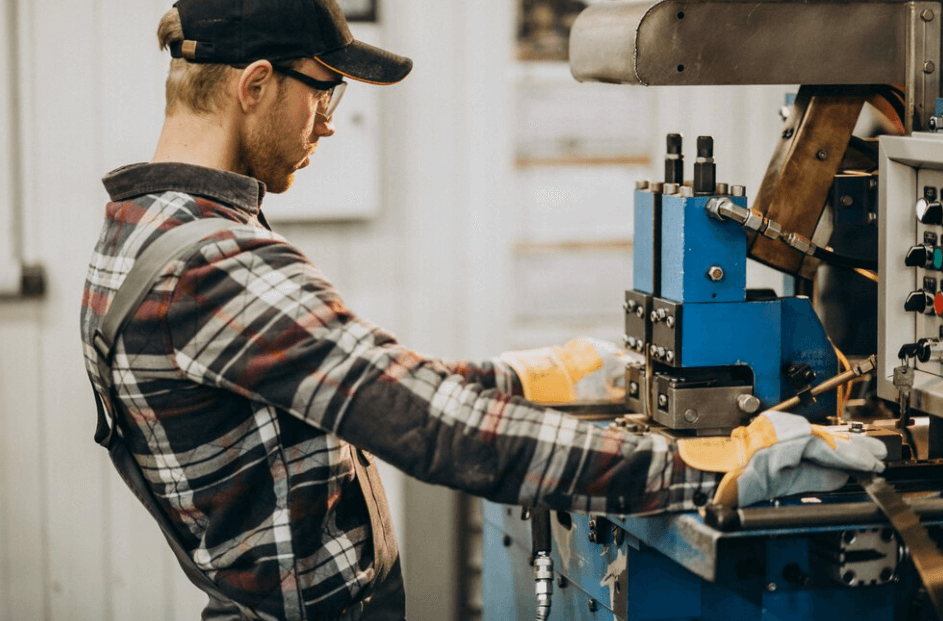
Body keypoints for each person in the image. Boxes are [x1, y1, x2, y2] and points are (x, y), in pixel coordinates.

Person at [80, 1, 888, 619]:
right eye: (323, 89)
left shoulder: (145, 232)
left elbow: (355, 381)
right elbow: (433, 427)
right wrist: (710, 468)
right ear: (255, 85)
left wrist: (526, 375)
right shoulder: (215, 265)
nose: (328, 119)